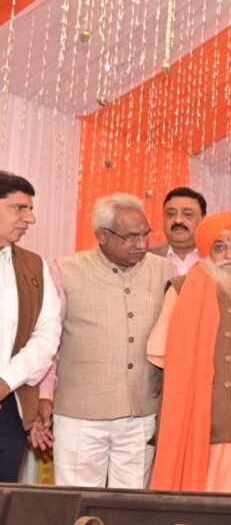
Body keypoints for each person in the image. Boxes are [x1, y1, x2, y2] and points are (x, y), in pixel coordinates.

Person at [42, 193, 172, 487]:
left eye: (145, 234)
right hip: (79, 413)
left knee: (131, 503)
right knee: (78, 501)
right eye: (130, 237)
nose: (142, 244)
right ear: (102, 236)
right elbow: (49, 339)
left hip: (141, 412)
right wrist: (45, 394)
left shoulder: (164, 270)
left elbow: (173, 332)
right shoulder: (65, 270)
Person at [148, 212, 231, 494]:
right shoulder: (182, 289)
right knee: (214, 481)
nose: (229, 254)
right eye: (219, 247)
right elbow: (165, 353)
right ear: (207, 252)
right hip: (211, 406)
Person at [0, 171, 61, 481]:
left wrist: (6, 382)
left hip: (9, 407)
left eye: (30, 209)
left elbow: (47, 335)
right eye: (19, 208)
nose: (30, 219)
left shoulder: (34, 266)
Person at [149, 187, 207, 276]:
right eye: (170, 214)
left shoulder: (217, 259)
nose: (178, 220)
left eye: (187, 214)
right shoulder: (145, 258)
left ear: (203, 220)